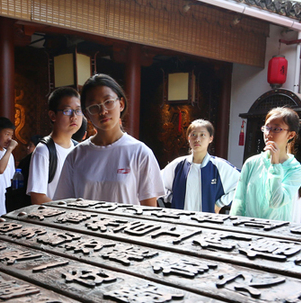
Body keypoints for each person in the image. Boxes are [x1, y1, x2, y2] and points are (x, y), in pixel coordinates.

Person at [54, 74, 164, 206]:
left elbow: (150, 211)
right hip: (83, 227)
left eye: (108, 102)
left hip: (127, 227)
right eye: (94, 106)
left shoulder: (140, 152)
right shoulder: (76, 155)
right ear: (87, 113)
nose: (103, 111)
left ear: (121, 104)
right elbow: (64, 207)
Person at [231, 107, 301, 221]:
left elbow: (275, 202)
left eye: (276, 129)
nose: (268, 133)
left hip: (276, 232)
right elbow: (239, 201)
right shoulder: (252, 163)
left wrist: (275, 164)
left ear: (291, 135)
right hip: (248, 229)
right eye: (267, 128)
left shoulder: (295, 169)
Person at [161, 119, 240, 213]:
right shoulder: (178, 165)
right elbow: (157, 182)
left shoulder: (219, 166)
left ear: (210, 138)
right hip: (180, 222)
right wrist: (171, 198)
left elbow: (242, 185)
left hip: (208, 223)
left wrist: (221, 203)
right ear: (188, 138)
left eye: (202, 135)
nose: (197, 139)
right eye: (193, 135)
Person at [27, 87, 82, 205]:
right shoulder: (44, 150)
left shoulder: (79, 149)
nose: (74, 117)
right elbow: (38, 199)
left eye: (78, 111)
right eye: (67, 111)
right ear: (53, 116)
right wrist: (68, 210)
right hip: (55, 219)